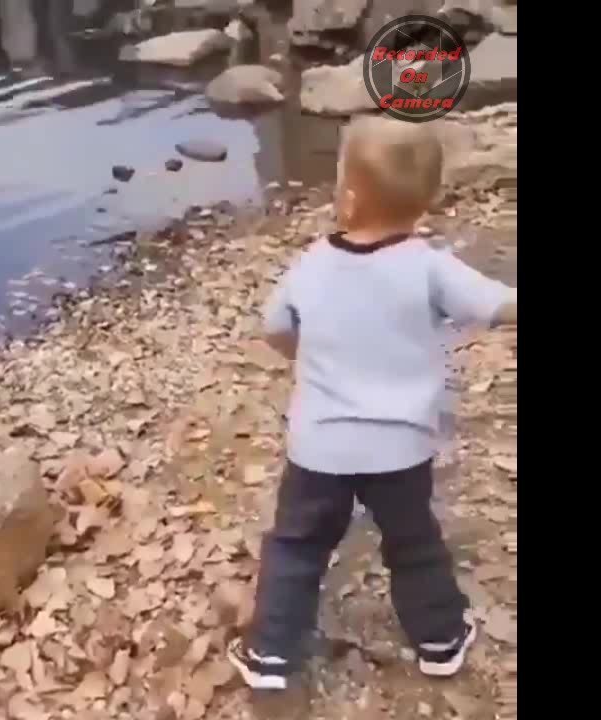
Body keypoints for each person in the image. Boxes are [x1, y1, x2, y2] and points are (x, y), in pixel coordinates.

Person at [226, 116, 517, 691]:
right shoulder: (431, 266)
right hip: (400, 447)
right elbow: (499, 305)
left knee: (297, 545)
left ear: (350, 200)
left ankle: (271, 653)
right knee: (413, 542)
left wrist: (302, 356)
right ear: (426, 202)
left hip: (320, 447)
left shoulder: (311, 264)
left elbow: (274, 327)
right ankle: (439, 641)